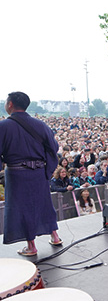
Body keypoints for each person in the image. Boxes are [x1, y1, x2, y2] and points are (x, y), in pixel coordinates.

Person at [0, 91, 62, 256]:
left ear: (10, 104)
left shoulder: (3, 126)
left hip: (16, 174)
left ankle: (31, 246)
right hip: (39, 173)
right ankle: (55, 237)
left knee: (23, 208)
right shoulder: (41, 125)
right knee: (44, 205)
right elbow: (54, 148)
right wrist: (46, 171)